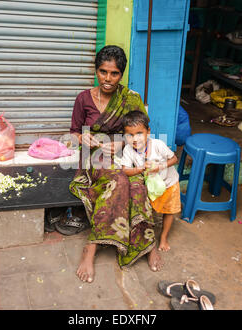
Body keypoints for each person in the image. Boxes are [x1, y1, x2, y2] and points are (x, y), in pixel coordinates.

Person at [69, 45, 163, 283]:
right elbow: (72, 133)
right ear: (96, 71)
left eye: (114, 73)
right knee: (120, 180)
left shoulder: (131, 99)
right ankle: (91, 247)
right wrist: (83, 137)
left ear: (121, 74)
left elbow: (142, 133)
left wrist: (122, 143)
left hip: (127, 155)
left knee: (139, 183)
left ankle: (148, 244)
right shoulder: (83, 99)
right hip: (95, 158)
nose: (108, 79)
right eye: (103, 72)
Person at [121, 110, 181, 252]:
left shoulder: (158, 145)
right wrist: (141, 168)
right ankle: (148, 235)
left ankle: (164, 237)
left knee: (169, 211)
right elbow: (125, 170)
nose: (135, 139)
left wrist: (160, 166)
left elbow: (174, 159)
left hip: (169, 184)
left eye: (139, 133)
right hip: (152, 186)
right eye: (130, 135)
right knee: (150, 210)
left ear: (148, 131)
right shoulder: (129, 150)